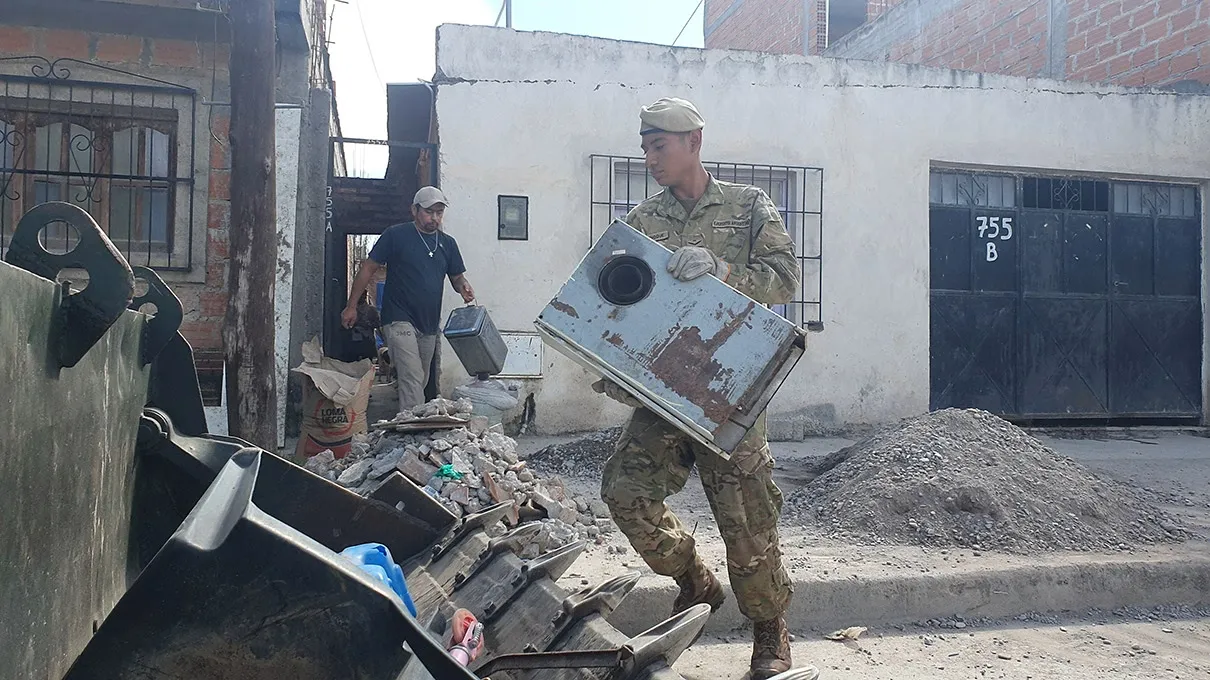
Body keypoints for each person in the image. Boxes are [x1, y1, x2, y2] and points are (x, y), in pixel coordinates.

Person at [594, 97, 811, 680]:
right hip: (665, 389)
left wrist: (722, 268)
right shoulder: (642, 223)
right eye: (645, 147)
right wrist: (614, 360)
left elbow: (785, 280)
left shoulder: (748, 206)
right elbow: (620, 303)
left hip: (730, 388)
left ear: (693, 141)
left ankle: (770, 632)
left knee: (747, 521)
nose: (650, 158)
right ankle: (695, 581)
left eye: (658, 146)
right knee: (625, 493)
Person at [342, 186, 474, 413]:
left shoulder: (448, 244)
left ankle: (404, 420)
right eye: (429, 212)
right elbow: (368, 268)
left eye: (439, 212)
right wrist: (351, 306)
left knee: (419, 379)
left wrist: (464, 287)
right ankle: (414, 428)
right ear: (414, 210)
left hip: (428, 324)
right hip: (398, 318)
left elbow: (456, 277)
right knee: (412, 377)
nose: (435, 218)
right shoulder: (396, 235)